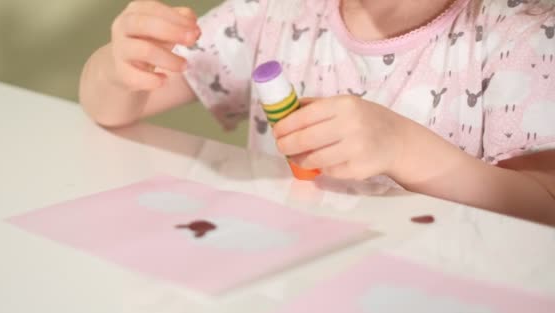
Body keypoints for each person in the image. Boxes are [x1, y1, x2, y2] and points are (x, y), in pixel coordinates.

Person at [79, 0, 555, 225]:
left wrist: (407, 150)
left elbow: (543, 210)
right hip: (290, 288)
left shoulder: (524, 36)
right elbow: (116, 109)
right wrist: (118, 69)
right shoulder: (277, 12)